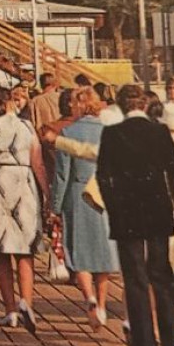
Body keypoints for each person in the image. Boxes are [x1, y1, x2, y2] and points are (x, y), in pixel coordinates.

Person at [96, 84, 174, 346]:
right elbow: (173, 169)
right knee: (162, 276)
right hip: (157, 209)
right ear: (144, 105)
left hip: (127, 212)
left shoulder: (112, 134)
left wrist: (114, 206)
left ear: (120, 107)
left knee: (135, 281)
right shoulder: (160, 132)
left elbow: (103, 176)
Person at [52, 87, 118, 328]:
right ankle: (101, 305)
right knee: (103, 252)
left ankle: (88, 296)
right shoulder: (109, 133)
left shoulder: (68, 132)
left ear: (78, 105)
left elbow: (61, 175)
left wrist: (55, 206)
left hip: (77, 194)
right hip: (103, 195)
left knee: (78, 251)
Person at [0, 86, 43, 331]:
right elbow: (37, 163)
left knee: (2, 252)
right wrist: (47, 195)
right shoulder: (26, 127)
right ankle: (27, 302)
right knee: (25, 252)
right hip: (24, 184)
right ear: (9, 103)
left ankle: (10, 311)